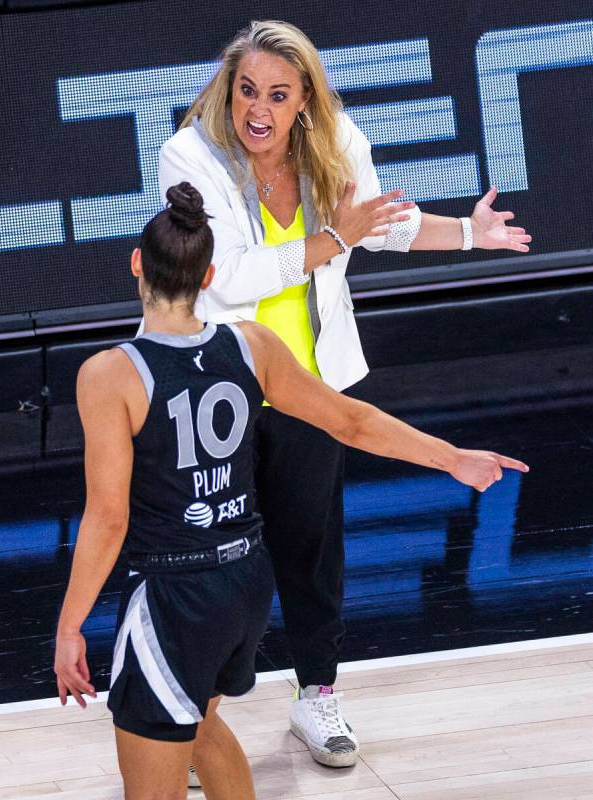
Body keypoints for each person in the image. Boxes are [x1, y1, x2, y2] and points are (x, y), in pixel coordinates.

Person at [55, 182, 529, 800]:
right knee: (200, 722)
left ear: (137, 263)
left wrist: (69, 628)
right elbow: (352, 421)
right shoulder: (251, 345)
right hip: (247, 583)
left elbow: (108, 519)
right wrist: (452, 459)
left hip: (175, 593)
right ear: (210, 274)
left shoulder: (109, 374)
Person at [147, 19, 533, 768]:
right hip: (221, 386)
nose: (256, 109)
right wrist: (333, 240)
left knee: (312, 549)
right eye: (246, 90)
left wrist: (468, 236)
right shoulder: (187, 154)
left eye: (277, 95)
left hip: (311, 382)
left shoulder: (336, 142)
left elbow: (377, 228)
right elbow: (228, 277)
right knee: (224, 559)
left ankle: (316, 696)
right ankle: (200, 723)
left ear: (304, 102)